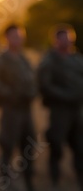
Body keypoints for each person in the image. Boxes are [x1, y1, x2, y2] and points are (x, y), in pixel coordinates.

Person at [0, 24, 37, 191]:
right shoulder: (0, 60)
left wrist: (32, 91)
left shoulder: (23, 58)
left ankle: (29, 181)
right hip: (11, 110)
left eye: (21, 35)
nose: (18, 39)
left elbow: (32, 79)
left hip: (26, 110)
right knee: (8, 146)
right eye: (15, 36)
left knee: (29, 146)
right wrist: (8, 92)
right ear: (6, 38)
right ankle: (5, 182)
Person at [37, 24, 83, 190]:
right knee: (56, 144)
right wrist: (66, 95)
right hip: (59, 111)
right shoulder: (49, 60)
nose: (68, 41)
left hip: (77, 110)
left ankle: (79, 177)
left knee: (79, 145)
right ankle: (54, 179)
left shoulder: (77, 58)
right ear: (56, 40)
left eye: (70, 37)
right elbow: (45, 85)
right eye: (64, 38)